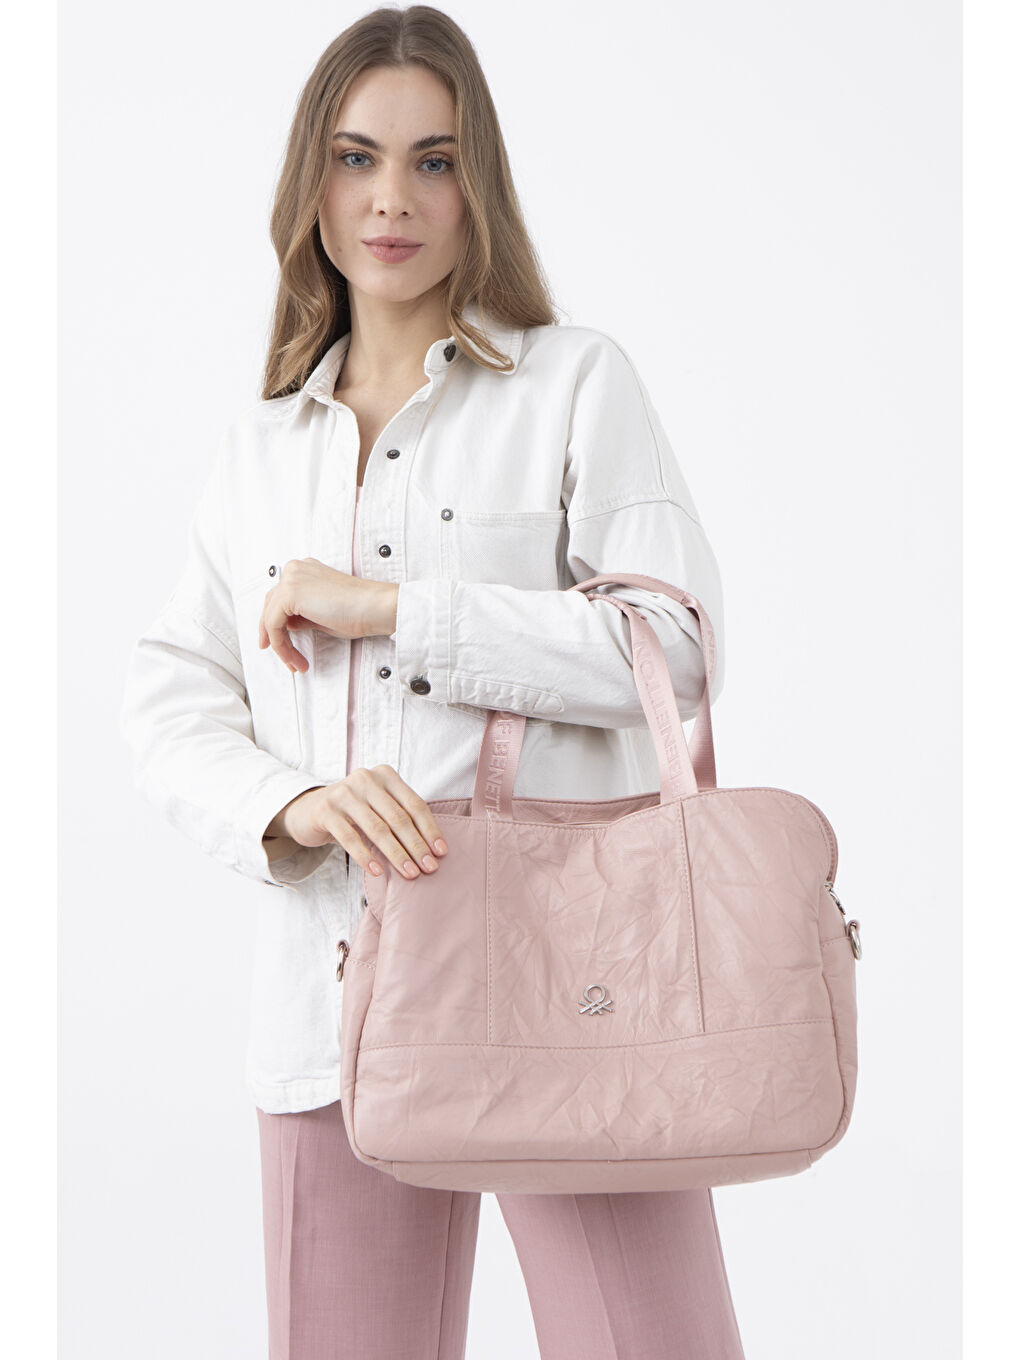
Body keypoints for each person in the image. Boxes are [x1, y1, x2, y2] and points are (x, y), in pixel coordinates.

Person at [119, 6, 745, 1358]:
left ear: (480, 186)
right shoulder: (259, 446)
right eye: (356, 158)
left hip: (575, 999)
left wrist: (401, 610)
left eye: (434, 161)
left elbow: (676, 644)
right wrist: (294, 804)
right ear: (312, 182)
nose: (391, 199)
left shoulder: (573, 383)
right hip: (332, 1004)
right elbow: (170, 699)